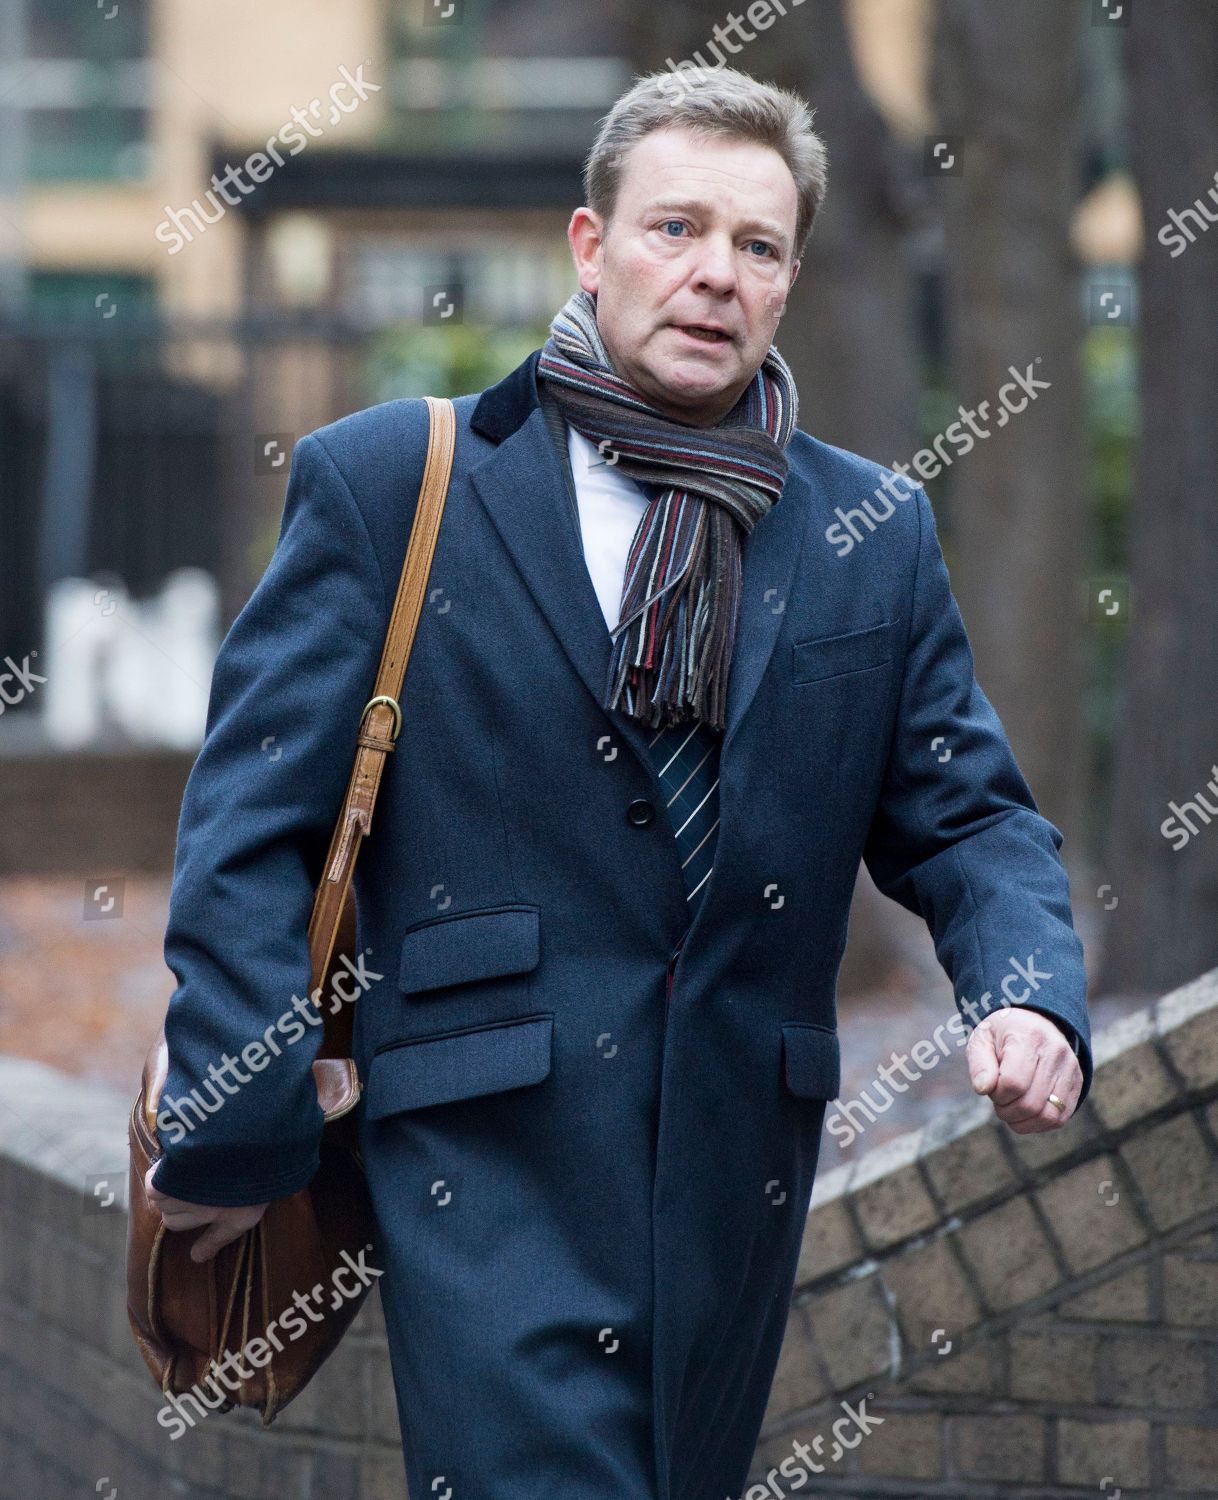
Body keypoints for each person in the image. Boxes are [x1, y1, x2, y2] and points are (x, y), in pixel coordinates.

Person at [147, 65, 1090, 1500]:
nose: (714, 274)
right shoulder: (395, 482)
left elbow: (965, 812)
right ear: (590, 248)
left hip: (731, 1169)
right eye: (674, 229)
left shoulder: (868, 534)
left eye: (757, 246)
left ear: (786, 281)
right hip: (480, 1164)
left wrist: (1023, 988)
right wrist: (236, 1125)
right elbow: (251, 827)